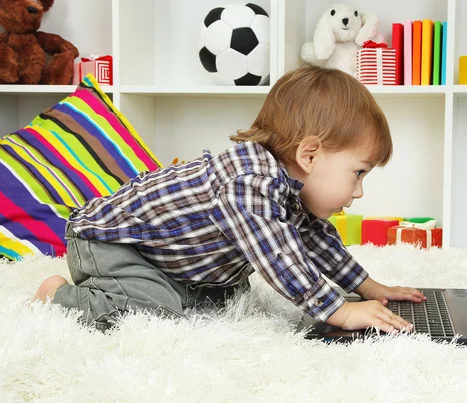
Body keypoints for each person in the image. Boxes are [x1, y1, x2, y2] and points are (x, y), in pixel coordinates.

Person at [34, 63, 426, 333]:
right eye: (358, 173)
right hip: (110, 244)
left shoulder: (288, 187)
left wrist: (367, 286)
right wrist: (338, 310)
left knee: (225, 295)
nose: (359, 191)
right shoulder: (248, 184)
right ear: (309, 154)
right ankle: (59, 295)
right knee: (160, 311)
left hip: (167, 258)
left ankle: (169, 285)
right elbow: (281, 259)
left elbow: (314, 239)